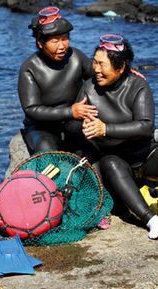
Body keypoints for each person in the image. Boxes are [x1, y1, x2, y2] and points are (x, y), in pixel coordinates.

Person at [66, 34, 158, 239]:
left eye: (102, 64)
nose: (96, 69)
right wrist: (82, 123)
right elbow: (70, 125)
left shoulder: (138, 86)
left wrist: (105, 129)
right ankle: (151, 220)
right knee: (110, 162)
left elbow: (145, 126)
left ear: (121, 67)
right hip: (118, 163)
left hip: (147, 154)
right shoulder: (89, 87)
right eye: (94, 62)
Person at [18, 6, 98, 154]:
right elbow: (32, 109)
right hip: (42, 128)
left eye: (65, 39)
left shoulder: (76, 57)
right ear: (40, 43)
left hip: (73, 122)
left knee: (94, 143)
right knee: (47, 149)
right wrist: (70, 111)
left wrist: (123, 73)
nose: (62, 46)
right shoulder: (29, 68)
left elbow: (98, 76)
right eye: (55, 41)